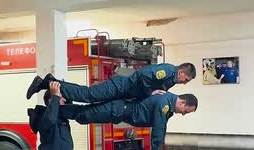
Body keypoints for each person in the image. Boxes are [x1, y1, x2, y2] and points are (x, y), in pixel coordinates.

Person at [57, 89, 198, 150]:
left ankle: (59, 108)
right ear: (182, 103)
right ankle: (54, 107)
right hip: (117, 109)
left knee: (84, 114)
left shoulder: (167, 101)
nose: (183, 114)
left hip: (119, 111)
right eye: (186, 111)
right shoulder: (164, 104)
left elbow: (162, 127)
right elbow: (159, 127)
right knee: (84, 115)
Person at [26, 62, 196, 104]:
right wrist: (149, 92)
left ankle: (52, 82)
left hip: (124, 93)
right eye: (186, 79)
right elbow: (143, 75)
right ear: (182, 72)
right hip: (120, 86)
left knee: (88, 94)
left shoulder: (171, 81)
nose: (184, 83)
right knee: (88, 95)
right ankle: (47, 83)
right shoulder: (167, 71)